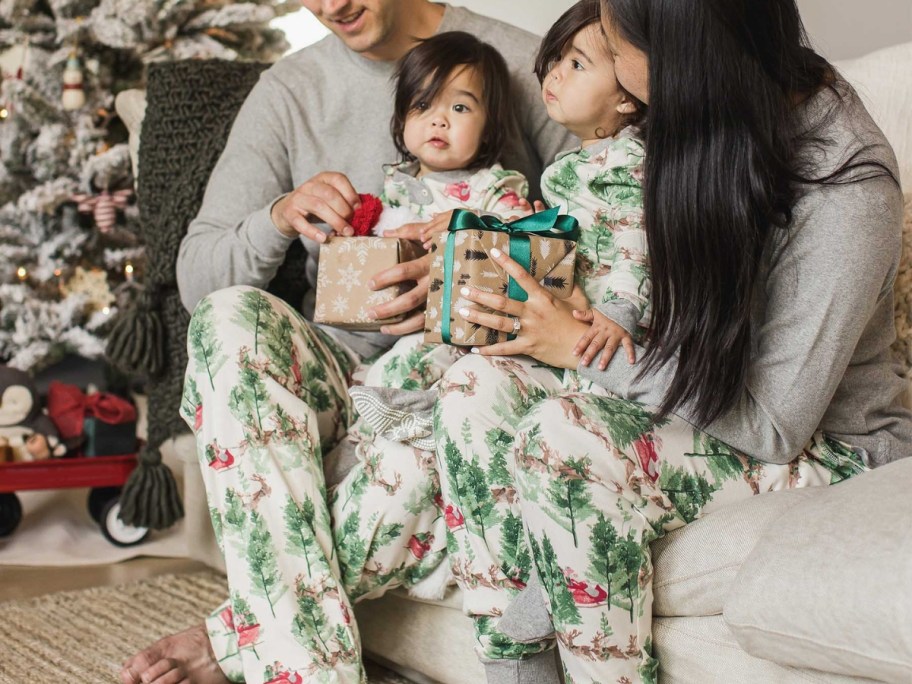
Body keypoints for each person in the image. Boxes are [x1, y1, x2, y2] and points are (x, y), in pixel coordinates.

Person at [434, 0, 911, 683]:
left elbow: (774, 424)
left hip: (827, 443)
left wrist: (577, 349)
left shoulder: (847, 187)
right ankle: (514, 668)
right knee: (473, 390)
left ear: (684, 62)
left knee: (563, 440)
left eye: (617, 47)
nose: (608, 59)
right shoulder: (699, 118)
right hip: (699, 395)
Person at [119, 1, 574, 683]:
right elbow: (198, 276)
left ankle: (252, 640)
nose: (331, 5)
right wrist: (278, 218)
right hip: (342, 380)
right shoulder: (291, 91)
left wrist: (468, 269)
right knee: (227, 319)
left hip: (457, 377)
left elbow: (610, 235)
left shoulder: (520, 62)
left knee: (421, 460)